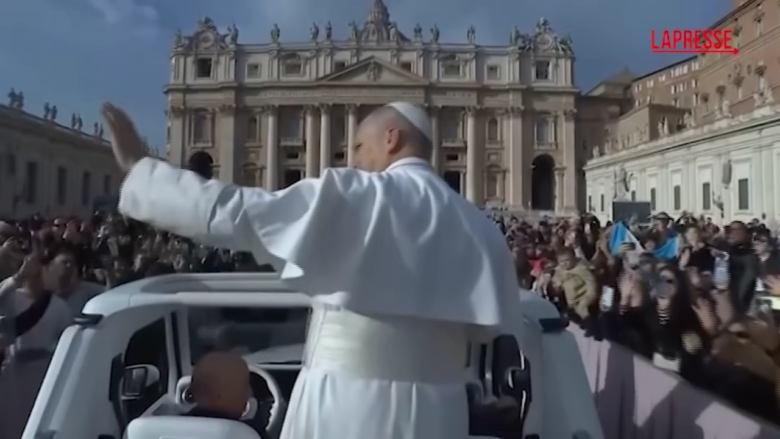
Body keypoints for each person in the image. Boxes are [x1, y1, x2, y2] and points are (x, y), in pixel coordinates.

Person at [103, 101, 519, 439]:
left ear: (391, 138)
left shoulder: (360, 195)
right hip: (441, 415)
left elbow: (241, 214)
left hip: (348, 408)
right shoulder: (481, 228)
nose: (352, 158)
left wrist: (144, 172)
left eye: (358, 146)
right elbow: (487, 329)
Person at [186, 352, 256, 429]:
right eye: (244, 386)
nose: (249, 393)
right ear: (218, 396)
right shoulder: (244, 433)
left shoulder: (177, 428)